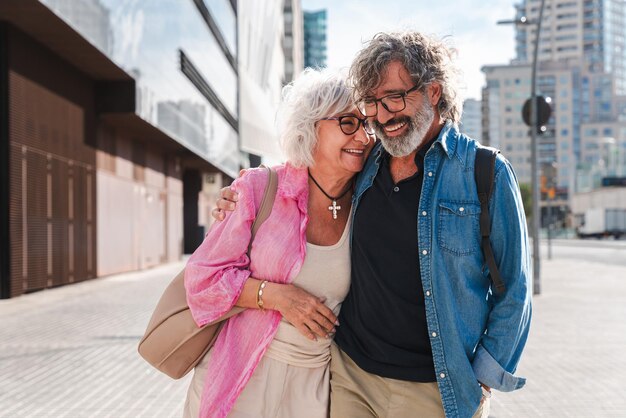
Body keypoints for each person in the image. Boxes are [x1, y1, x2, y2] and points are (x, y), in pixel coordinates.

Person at [213, 31, 532, 418]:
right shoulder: (365, 162)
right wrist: (240, 196)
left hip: (433, 389)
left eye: (395, 97)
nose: (383, 116)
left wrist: (481, 378)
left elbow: (514, 290)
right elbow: (305, 174)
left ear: (433, 92)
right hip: (351, 376)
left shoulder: (485, 173)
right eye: (372, 103)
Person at [182, 68, 375, 418]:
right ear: (311, 125)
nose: (364, 136)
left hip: (315, 386)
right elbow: (202, 281)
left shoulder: (370, 202)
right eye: (349, 122)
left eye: (369, 125)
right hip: (241, 374)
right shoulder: (259, 188)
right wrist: (277, 296)